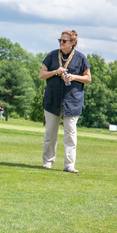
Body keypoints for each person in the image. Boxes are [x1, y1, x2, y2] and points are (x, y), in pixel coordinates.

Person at [38, 30, 91, 173]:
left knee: (70, 134)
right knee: (50, 133)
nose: (61, 43)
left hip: (72, 101)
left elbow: (88, 78)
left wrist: (73, 77)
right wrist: (55, 72)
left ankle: (69, 165)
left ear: (73, 43)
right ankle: (48, 161)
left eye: (64, 41)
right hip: (52, 99)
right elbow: (42, 74)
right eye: (60, 40)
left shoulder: (80, 58)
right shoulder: (52, 55)